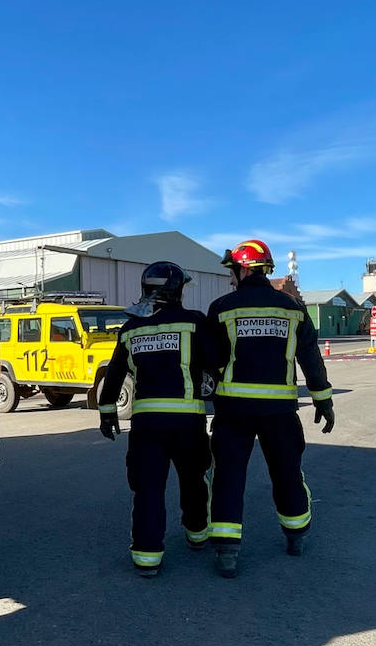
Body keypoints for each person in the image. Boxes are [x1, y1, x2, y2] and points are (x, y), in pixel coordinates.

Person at [206, 239, 334, 578]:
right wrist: (323, 399)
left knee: (228, 476)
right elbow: (309, 356)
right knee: (287, 472)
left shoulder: (221, 307)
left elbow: (211, 359)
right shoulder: (292, 308)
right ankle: (296, 536)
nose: (232, 277)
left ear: (244, 267)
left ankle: (227, 552)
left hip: (233, 410)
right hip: (279, 411)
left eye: (233, 270)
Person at [97, 261, 216, 578]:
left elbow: (115, 373)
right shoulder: (194, 322)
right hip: (187, 423)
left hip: (146, 424)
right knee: (193, 481)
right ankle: (197, 534)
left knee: (148, 488)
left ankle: (147, 556)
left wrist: (108, 412)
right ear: (175, 289)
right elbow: (216, 360)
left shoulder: (131, 328)